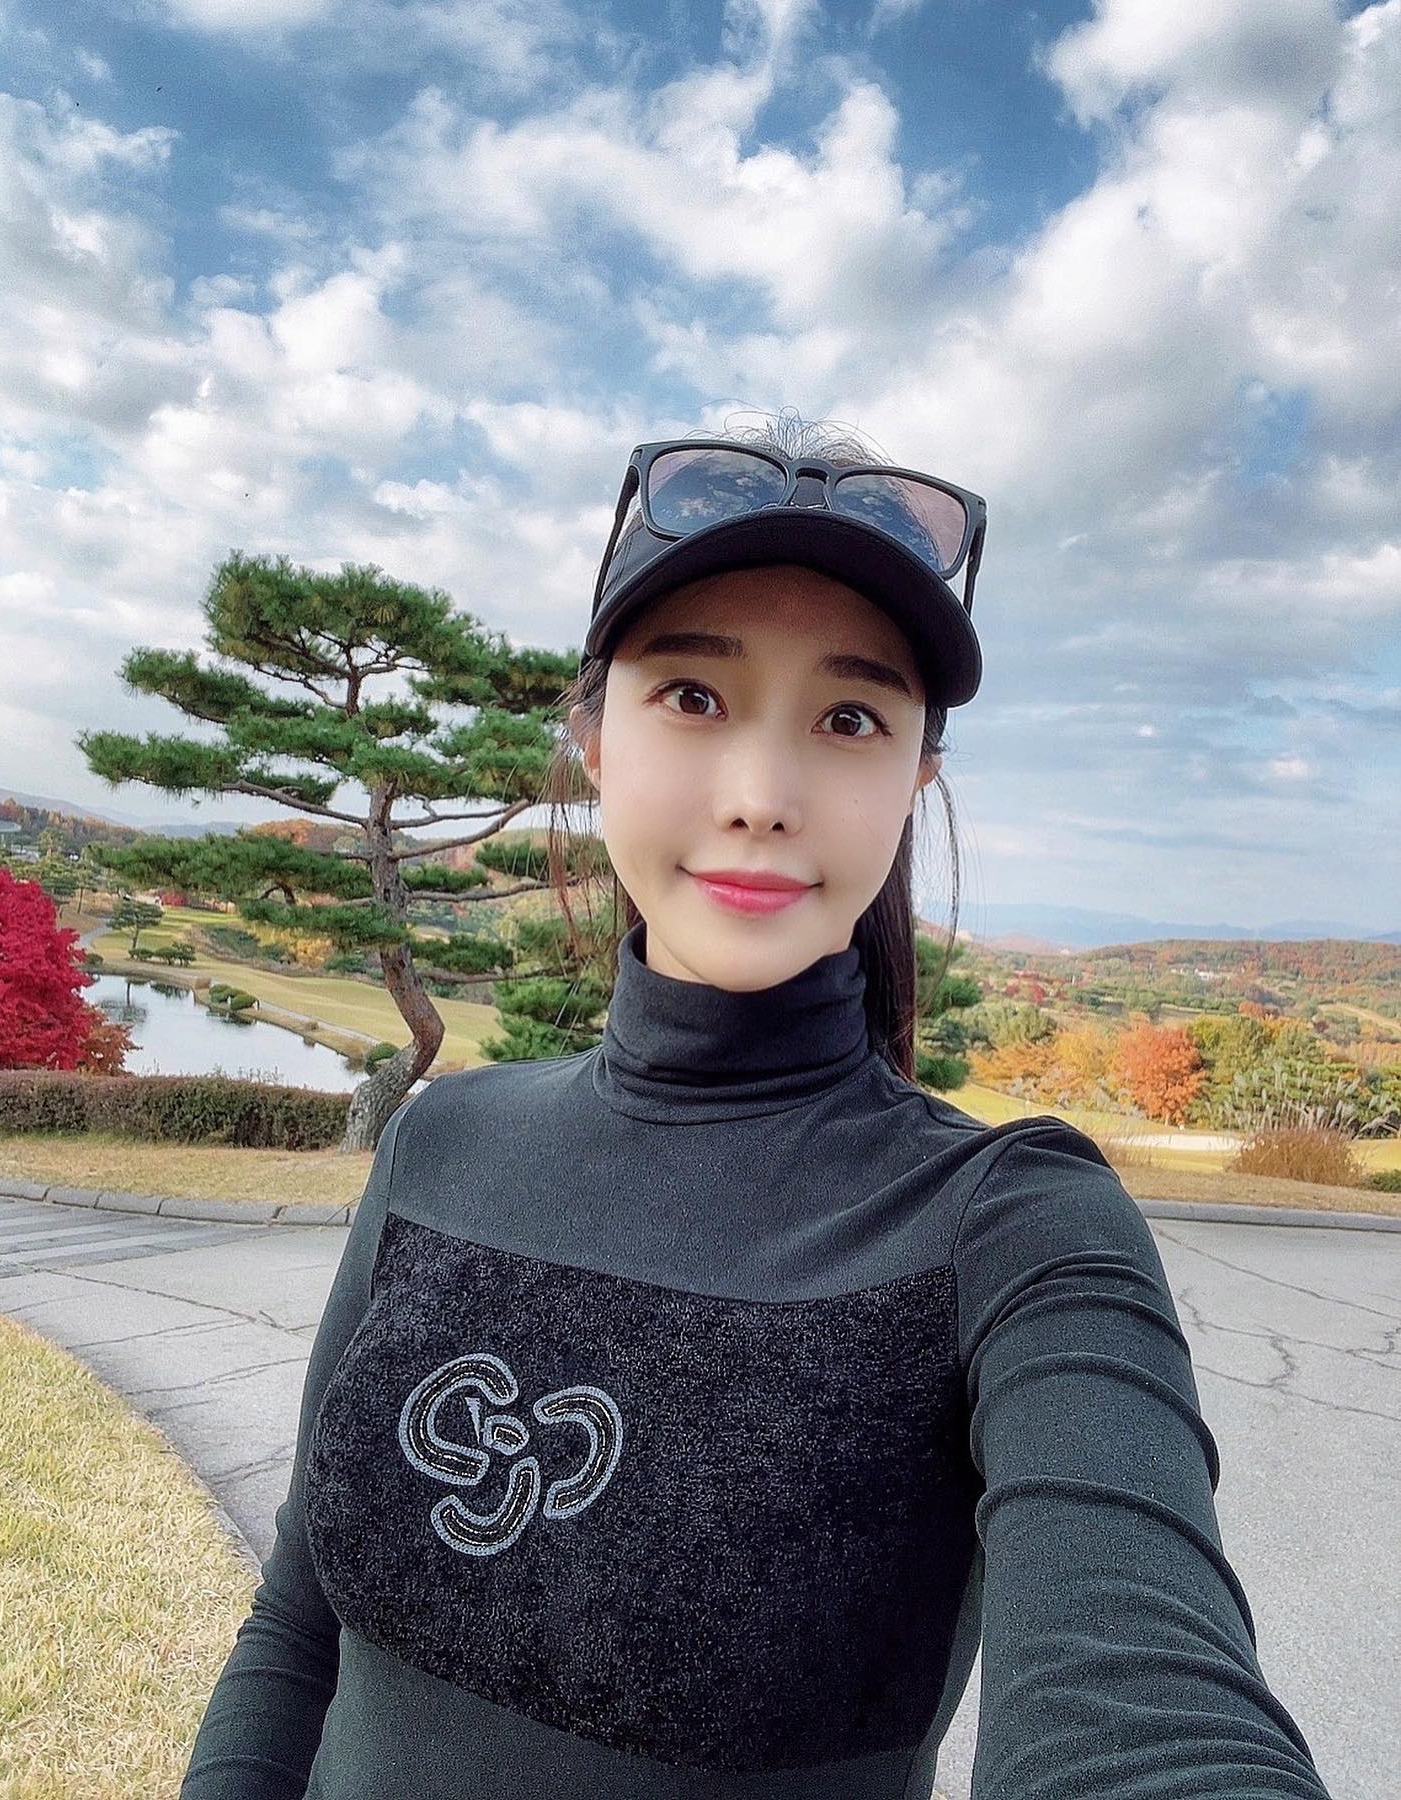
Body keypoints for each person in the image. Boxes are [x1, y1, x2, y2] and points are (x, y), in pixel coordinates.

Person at [179, 414, 1334, 1799]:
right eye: (693, 695)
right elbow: (297, 1629)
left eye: (850, 720)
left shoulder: (1013, 1226)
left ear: (915, 776)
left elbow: (1144, 1710)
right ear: (594, 738)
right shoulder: (443, 1142)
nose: (762, 798)